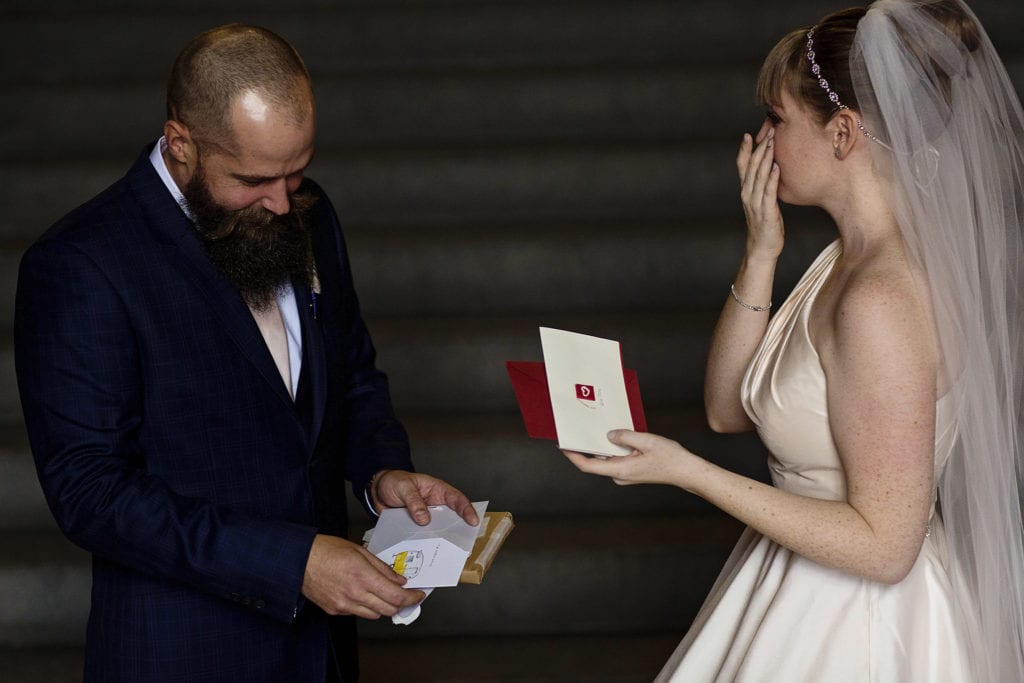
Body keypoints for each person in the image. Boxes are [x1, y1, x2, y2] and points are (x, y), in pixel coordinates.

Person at [563, 1, 1024, 679]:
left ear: (843, 132)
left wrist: (686, 471)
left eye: (778, 119)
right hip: (793, 580)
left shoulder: (881, 299)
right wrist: (761, 251)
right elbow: (727, 408)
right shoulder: (842, 260)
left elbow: (887, 546)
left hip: (859, 624)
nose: (763, 138)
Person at [14, 24, 478, 682]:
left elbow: (350, 376)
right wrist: (292, 563)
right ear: (180, 144)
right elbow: (90, 492)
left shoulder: (309, 215)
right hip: (183, 654)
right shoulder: (81, 264)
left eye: (298, 171)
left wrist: (381, 474)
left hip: (321, 654)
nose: (284, 202)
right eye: (256, 178)